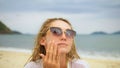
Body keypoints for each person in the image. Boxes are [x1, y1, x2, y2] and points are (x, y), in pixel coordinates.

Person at [24, 18, 89, 68]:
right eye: (55, 31)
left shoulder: (82, 66)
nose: (64, 37)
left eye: (69, 33)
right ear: (43, 40)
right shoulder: (31, 67)